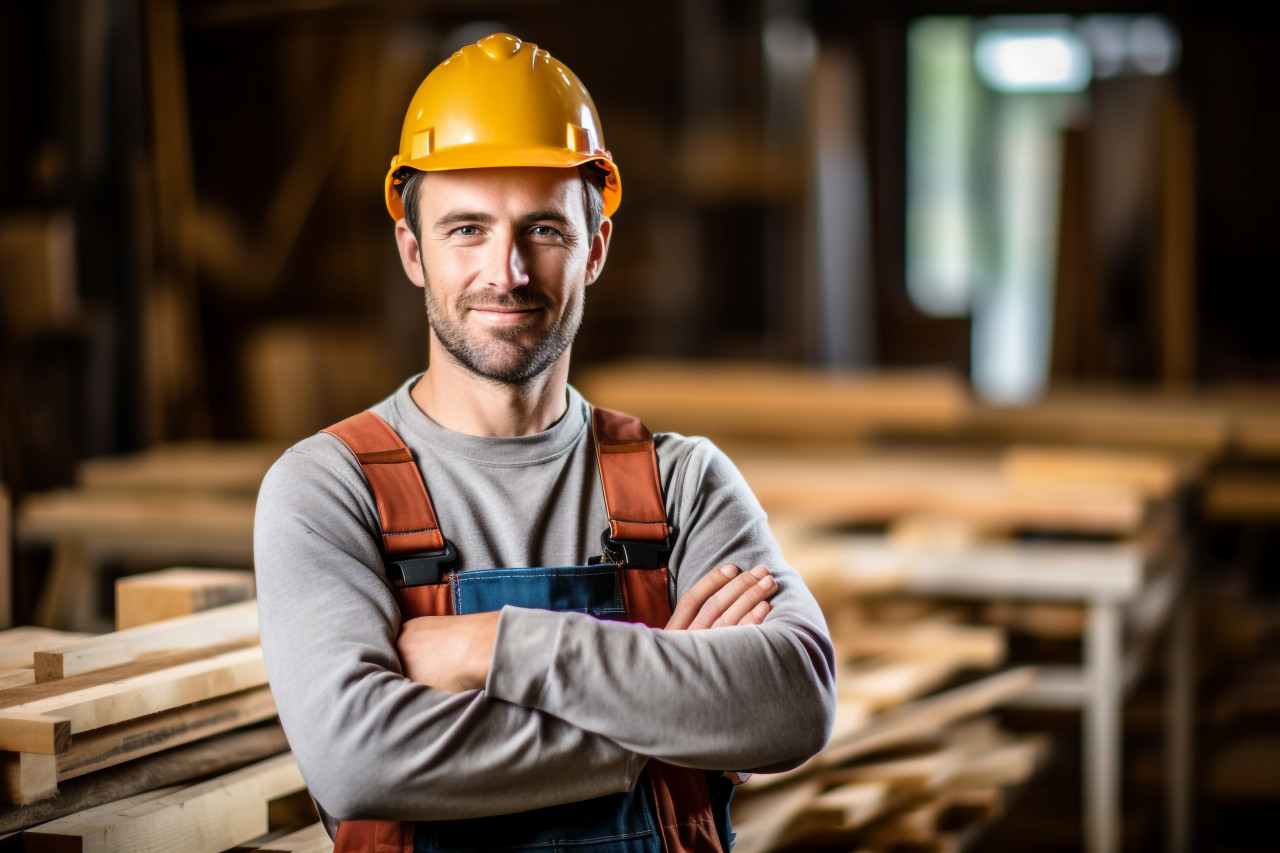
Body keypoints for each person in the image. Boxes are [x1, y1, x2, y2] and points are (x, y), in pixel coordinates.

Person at [254, 33, 836, 853]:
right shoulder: (325, 489)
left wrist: (493, 646)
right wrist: (675, 709)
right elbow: (362, 762)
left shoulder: (683, 483)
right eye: (466, 230)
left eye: (544, 230)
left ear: (594, 249)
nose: (508, 271)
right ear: (411, 251)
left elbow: (794, 702)